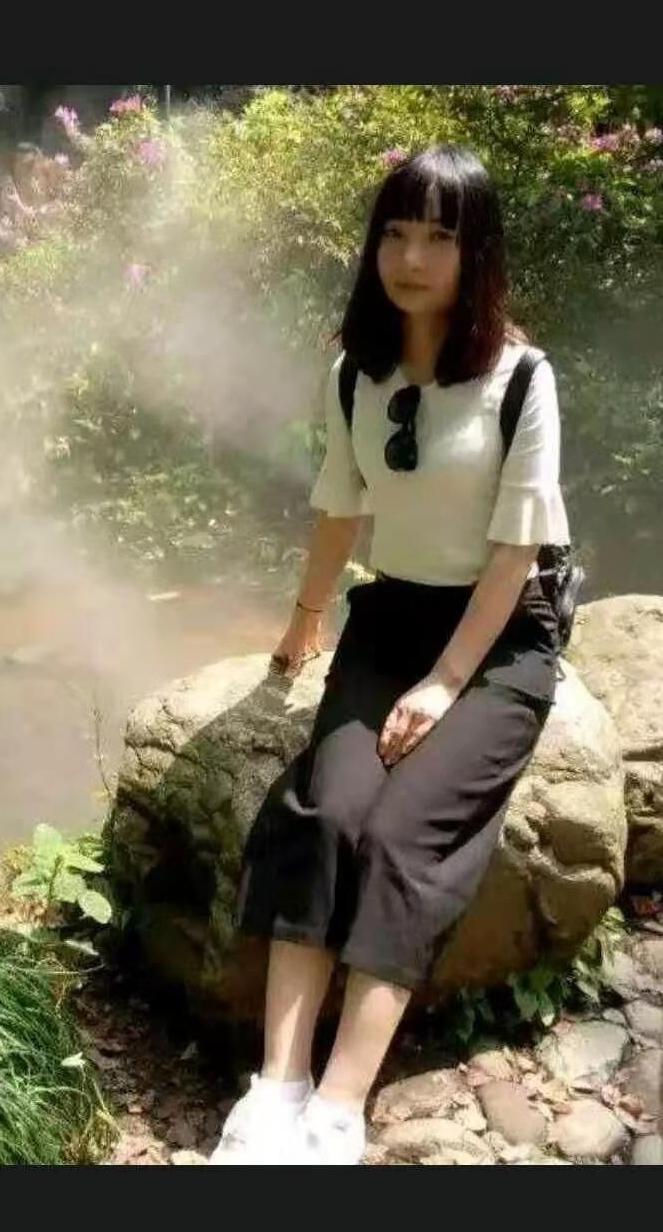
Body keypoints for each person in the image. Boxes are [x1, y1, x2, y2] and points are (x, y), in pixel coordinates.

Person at [212, 142, 570, 1166]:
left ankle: (337, 1109)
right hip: (391, 619)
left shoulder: (521, 379)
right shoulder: (354, 372)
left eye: (439, 238)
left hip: (499, 638)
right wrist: (304, 620)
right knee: (328, 808)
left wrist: (446, 683)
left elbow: (517, 550)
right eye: (396, 234)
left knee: (405, 834)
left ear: (476, 251)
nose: (412, 258)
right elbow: (340, 505)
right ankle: (277, 1088)